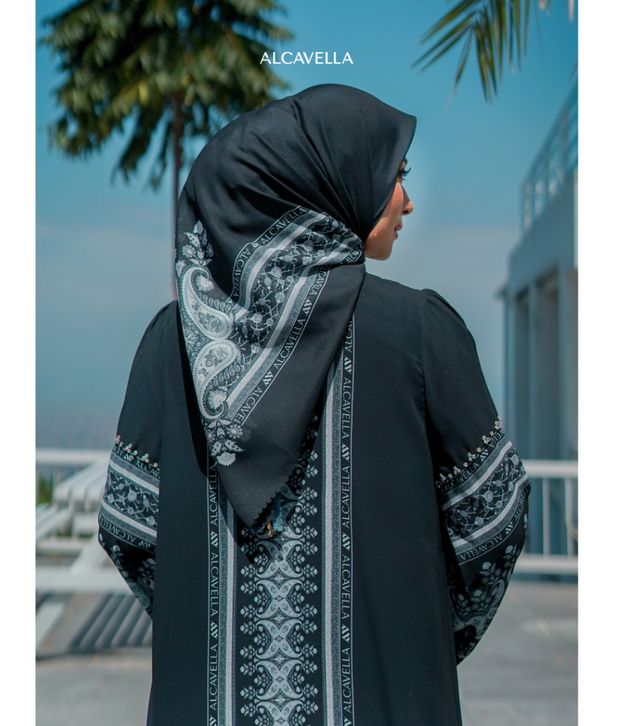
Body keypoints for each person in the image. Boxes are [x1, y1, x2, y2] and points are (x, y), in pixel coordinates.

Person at [97, 83, 531, 726]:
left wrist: (207, 620)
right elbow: (495, 520)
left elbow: (129, 527)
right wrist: (420, 641)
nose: (407, 199)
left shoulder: (172, 341)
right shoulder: (419, 332)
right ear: (330, 181)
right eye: (395, 174)